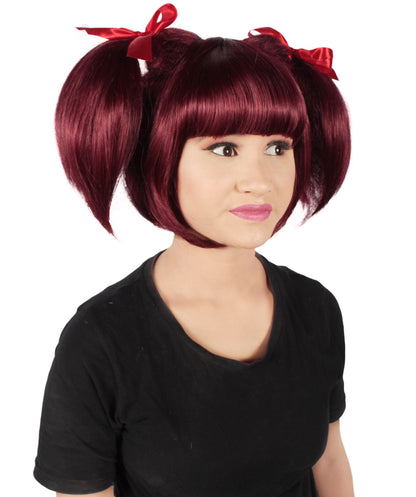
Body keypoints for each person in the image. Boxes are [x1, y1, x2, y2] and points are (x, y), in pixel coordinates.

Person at [33, 4, 354, 496]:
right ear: (160, 156)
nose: (259, 181)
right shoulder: (100, 343)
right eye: (224, 149)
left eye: (277, 147)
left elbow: (329, 460)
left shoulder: (316, 310)